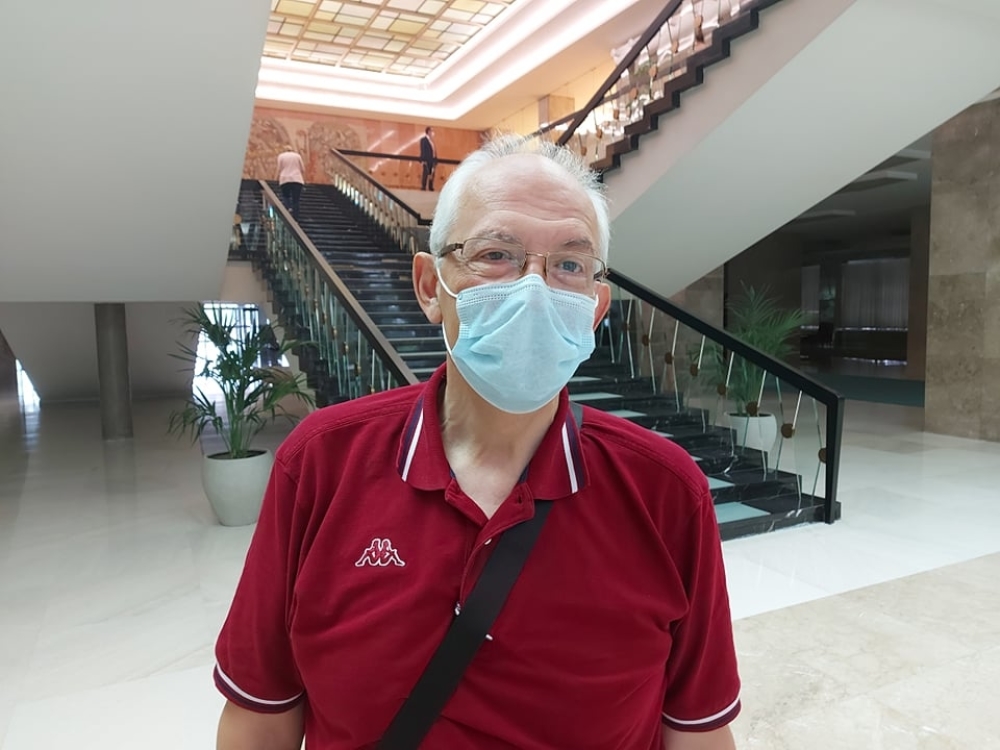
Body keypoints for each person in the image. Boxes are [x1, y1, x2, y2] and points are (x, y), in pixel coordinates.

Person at [214, 135, 741, 750]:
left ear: (596, 309)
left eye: (570, 265)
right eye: (497, 254)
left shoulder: (666, 492)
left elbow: (698, 732)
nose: (535, 289)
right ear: (429, 286)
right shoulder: (322, 463)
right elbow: (261, 717)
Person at [276, 146, 305, 221]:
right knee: (296, 199)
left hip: (285, 179)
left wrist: (276, 178)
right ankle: (295, 218)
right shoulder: (297, 156)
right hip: (297, 179)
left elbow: (279, 168)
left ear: (284, 150)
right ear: (292, 150)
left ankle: (288, 207)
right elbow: (303, 169)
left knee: (286, 196)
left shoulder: (281, 156)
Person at [419, 126, 436, 191]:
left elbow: (434, 151)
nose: (433, 132)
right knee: (425, 172)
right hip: (426, 160)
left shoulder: (432, 141)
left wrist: (435, 159)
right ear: (428, 131)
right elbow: (423, 150)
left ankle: (430, 186)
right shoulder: (423, 140)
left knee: (432, 173)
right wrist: (423, 160)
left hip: (432, 160)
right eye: (432, 131)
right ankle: (423, 186)